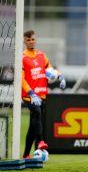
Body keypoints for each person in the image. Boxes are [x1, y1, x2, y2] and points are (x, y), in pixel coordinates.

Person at [21, 30, 66, 159]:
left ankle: (25, 156)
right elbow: (22, 79)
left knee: (32, 126)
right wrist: (31, 93)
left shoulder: (41, 55)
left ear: (36, 40)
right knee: (36, 112)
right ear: (24, 42)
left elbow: (49, 69)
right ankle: (41, 141)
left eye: (33, 39)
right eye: (28, 40)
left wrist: (60, 76)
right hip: (28, 95)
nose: (31, 42)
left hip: (41, 94)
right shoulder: (22, 58)